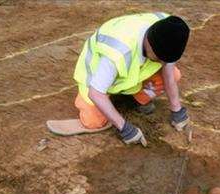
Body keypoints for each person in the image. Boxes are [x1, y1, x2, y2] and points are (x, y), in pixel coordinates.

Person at [72, 12, 190, 146]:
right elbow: (95, 93)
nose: (162, 63)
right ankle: (109, 100)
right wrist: (125, 128)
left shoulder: (169, 30)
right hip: (96, 77)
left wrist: (177, 110)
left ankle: (132, 99)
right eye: (159, 59)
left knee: (174, 74)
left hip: (130, 72)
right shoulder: (118, 52)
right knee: (93, 121)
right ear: (149, 43)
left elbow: (168, 75)